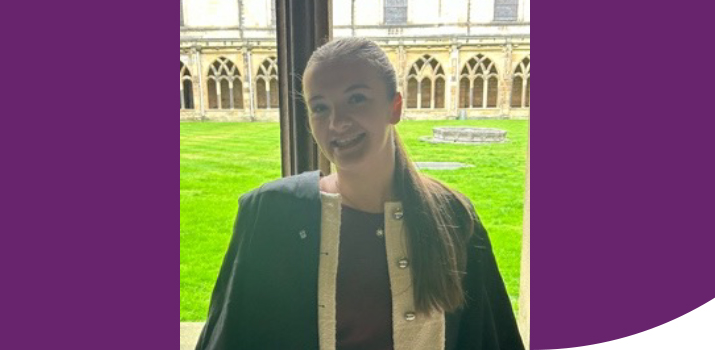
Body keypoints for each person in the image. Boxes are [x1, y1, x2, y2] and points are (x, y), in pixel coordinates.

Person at [196, 37, 524, 350]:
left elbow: (488, 338)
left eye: (356, 99)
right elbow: (232, 337)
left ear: (394, 107)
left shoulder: (453, 218)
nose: (337, 123)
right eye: (320, 108)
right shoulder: (271, 215)